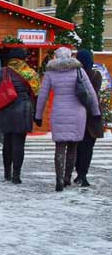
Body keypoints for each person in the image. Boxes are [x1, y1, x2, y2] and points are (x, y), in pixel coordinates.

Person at [35, 47, 100, 191]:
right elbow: (91, 94)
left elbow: (42, 96)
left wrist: (38, 115)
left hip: (58, 113)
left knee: (59, 147)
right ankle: (67, 178)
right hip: (78, 113)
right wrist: (95, 112)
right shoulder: (79, 71)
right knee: (73, 147)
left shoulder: (51, 73)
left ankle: (58, 180)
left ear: (56, 57)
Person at [0, 48, 40, 185]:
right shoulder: (31, 74)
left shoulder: (1, 73)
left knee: (7, 143)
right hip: (23, 111)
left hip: (5, 111)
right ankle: (16, 175)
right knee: (19, 144)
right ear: (23, 58)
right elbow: (36, 95)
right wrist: (36, 114)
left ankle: (7, 173)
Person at [75, 49, 104, 187]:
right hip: (92, 115)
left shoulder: (74, 75)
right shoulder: (96, 75)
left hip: (76, 113)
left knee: (76, 146)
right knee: (88, 147)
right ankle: (83, 174)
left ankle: (77, 172)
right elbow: (95, 92)